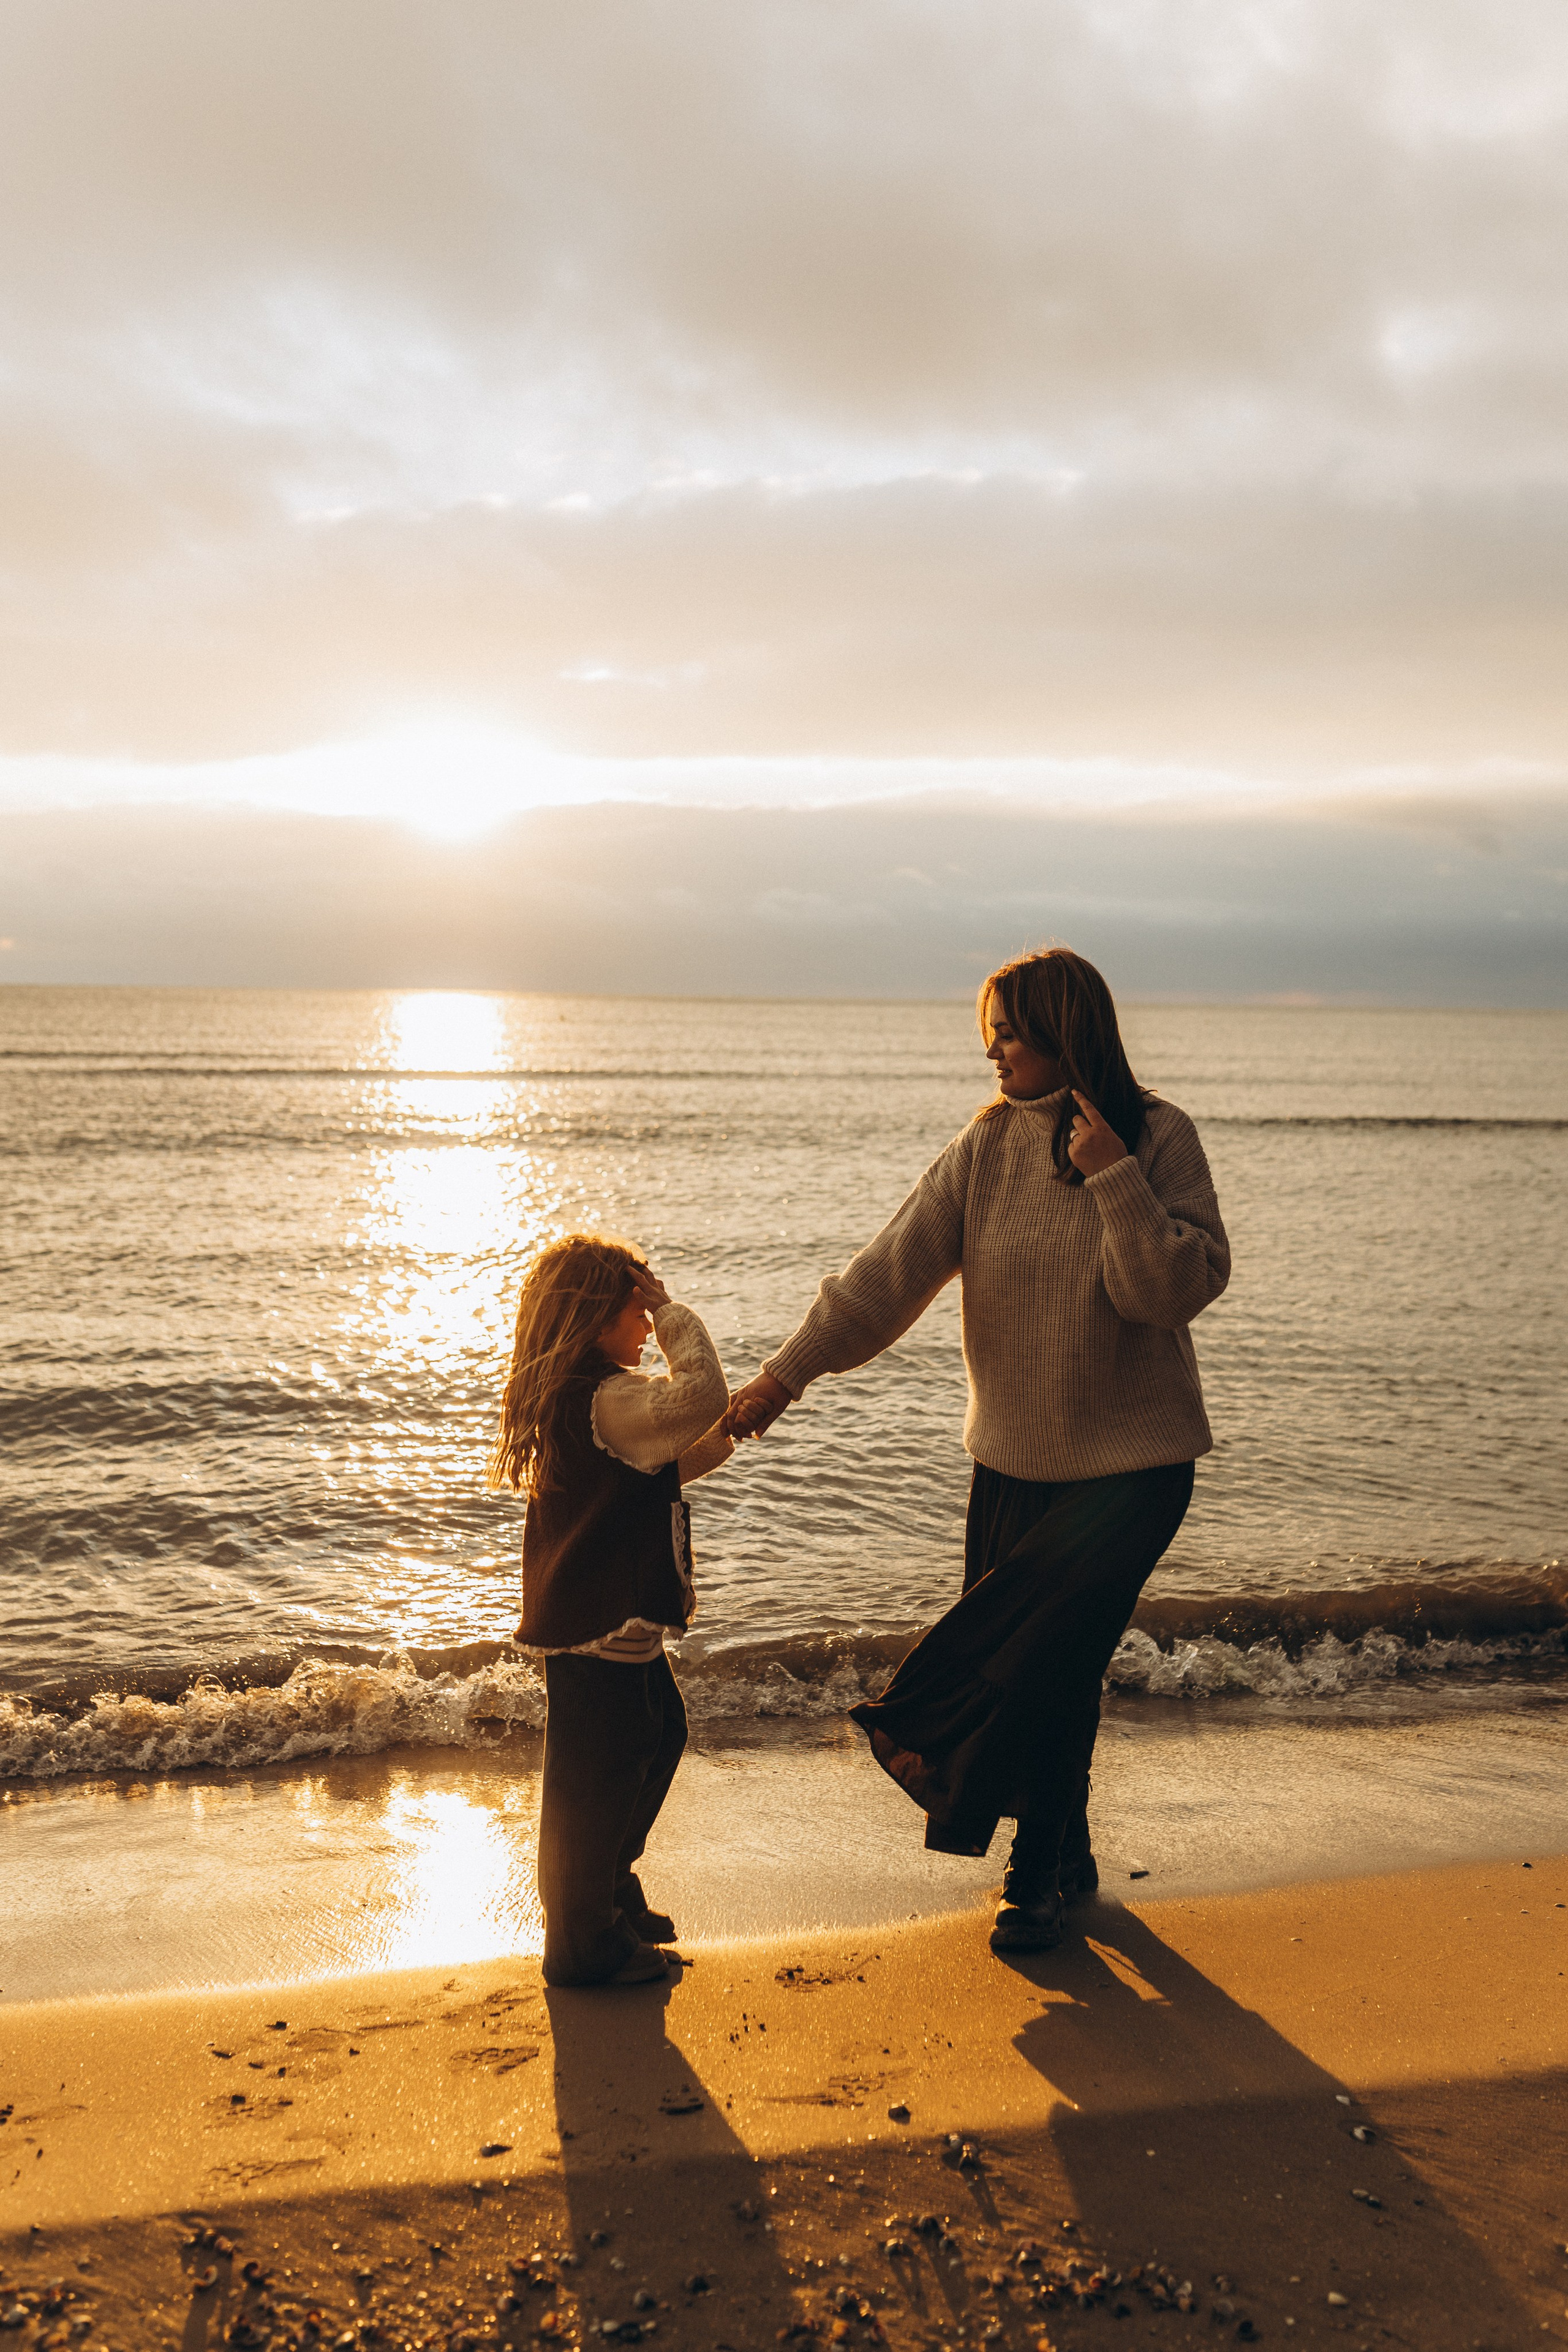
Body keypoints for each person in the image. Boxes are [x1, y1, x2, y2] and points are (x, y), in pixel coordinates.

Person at [728, 948, 1230, 1955]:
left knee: (1042, 1666)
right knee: (1057, 1667)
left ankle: (1033, 1874)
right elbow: (885, 1278)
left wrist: (1114, 1179)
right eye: (988, 1031)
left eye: (1011, 1029)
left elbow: (1168, 1292)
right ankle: (1071, 1848)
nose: (993, 1049)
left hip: (1132, 1472)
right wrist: (783, 1379)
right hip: (1011, 1468)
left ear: (1066, 1030)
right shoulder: (987, 1148)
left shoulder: (1158, 1137)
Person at [488, 1234, 734, 1988]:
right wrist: (676, 1316)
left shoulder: (591, 1398)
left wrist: (729, 1431)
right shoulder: (607, 1396)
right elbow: (697, 1397)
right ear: (597, 1317)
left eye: (648, 1313)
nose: (644, 1328)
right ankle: (581, 1942)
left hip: (599, 1624)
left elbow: (667, 1459)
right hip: (601, 1626)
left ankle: (607, 1897)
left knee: (652, 1742)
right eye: (634, 1311)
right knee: (596, 1780)